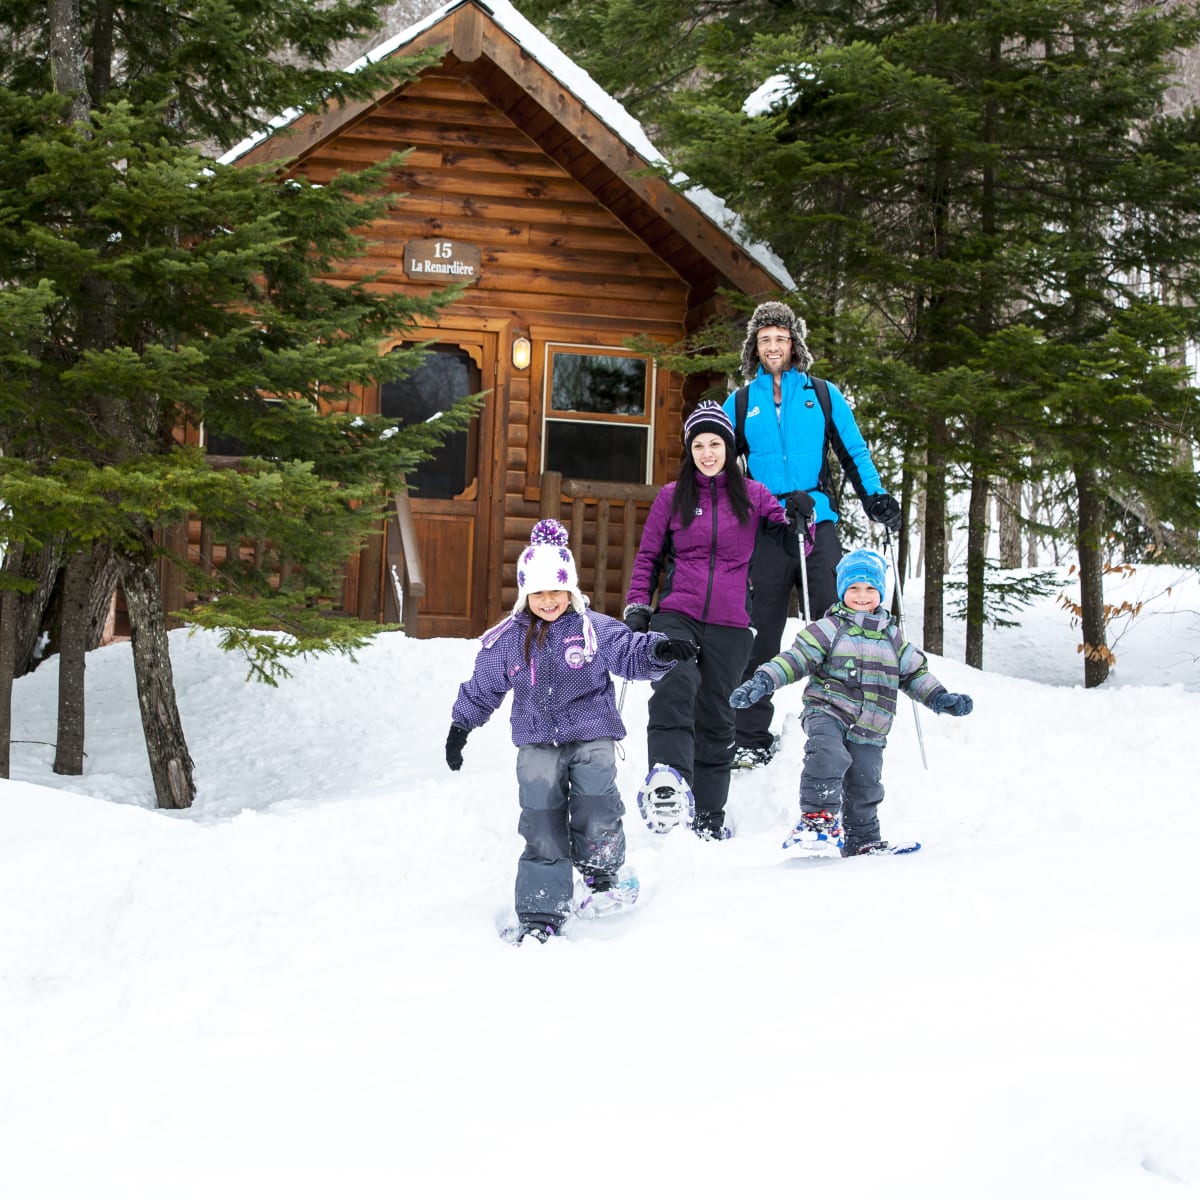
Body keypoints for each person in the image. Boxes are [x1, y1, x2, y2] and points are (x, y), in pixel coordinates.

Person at [445, 518, 696, 945]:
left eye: (556, 591)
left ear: (571, 591)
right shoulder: (508, 640)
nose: (548, 601)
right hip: (537, 741)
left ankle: (602, 874)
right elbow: (483, 685)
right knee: (541, 818)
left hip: (592, 732)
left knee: (596, 804)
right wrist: (461, 726)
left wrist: (659, 649)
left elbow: (628, 653)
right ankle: (542, 909)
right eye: (538, 593)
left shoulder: (592, 628)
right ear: (525, 594)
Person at [723, 300, 902, 768]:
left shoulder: (821, 394)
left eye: (780, 338)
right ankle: (750, 734)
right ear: (754, 348)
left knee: (832, 623)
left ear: (793, 343)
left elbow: (853, 451)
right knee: (761, 627)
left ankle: (839, 721)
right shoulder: (743, 402)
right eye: (765, 340)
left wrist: (876, 497)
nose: (773, 347)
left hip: (817, 522)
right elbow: (717, 465)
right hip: (767, 525)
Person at [623, 401, 802, 840]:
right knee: (676, 682)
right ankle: (669, 783)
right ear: (690, 450)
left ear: (728, 447)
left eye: (714, 443)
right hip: (677, 612)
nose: (707, 452)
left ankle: (709, 817)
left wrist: (801, 519)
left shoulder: (755, 496)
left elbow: (790, 542)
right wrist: (638, 604)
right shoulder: (672, 497)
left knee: (717, 715)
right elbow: (649, 556)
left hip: (731, 623)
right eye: (698, 445)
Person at [729, 548, 973, 856]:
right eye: (854, 588)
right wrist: (763, 681)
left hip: (872, 724)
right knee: (829, 754)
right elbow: (795, 659)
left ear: (881, 593)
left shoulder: (893, 638)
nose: (862, 595)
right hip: (828, 711)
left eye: (870, 588)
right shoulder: (829, 629)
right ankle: (817, 818)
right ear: (843, 590)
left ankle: (863, 840)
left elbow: (914, 674)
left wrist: (940, 698)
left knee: (866, 783)